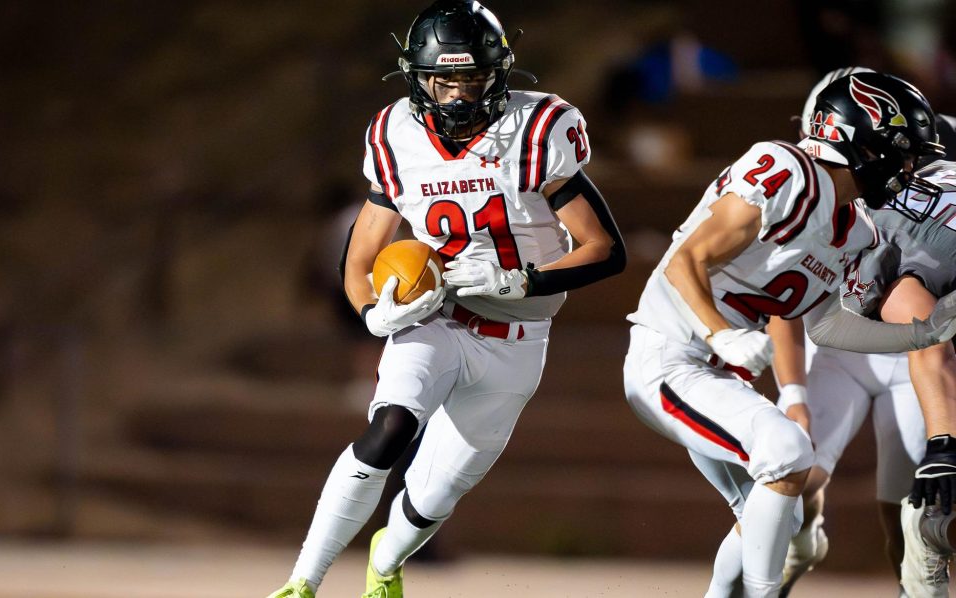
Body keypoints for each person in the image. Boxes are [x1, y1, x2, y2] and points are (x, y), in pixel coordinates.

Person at [269, 2, 627, 597]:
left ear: (498, 74)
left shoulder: (537, 132)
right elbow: (358, 261)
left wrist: (527, 281)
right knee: (387, 430)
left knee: (435, 496)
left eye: (472, 80)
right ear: (418, 78)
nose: (459, 96)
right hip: (438, 317)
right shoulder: (395, 137)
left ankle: (386, 561)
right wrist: (372, 314)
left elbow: (604, 250)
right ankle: (301, 582)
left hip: (517, 343)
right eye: (445, 80)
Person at [623, 71, 956, 597]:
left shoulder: (857, 230)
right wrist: (719, 335)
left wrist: (920, 335)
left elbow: (823, 323)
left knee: (777, 506)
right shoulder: (786, 170)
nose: (910, 167)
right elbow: (686, 260)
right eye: (903, 152)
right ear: (860, 142)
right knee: (788, 451)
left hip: (718, 376)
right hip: (670, 354)